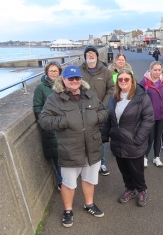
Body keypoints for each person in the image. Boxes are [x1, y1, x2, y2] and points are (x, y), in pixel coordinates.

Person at [38, 65, 108, 228]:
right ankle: (68, 210)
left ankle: (89, 204)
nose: (75, 81)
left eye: (77, 78)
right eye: (71, 79)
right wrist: (64, 121)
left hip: (92, 147)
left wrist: (96, 118)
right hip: (69, 149)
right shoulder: (54, 99)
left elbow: (104, 112)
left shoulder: (90, 95)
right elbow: (44, 119)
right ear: (63, 80)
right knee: (68, 183)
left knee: (90, 180)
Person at [101, 69, 154, 207]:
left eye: (126, 79)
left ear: (132, 81)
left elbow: (148, 119)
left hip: (134, 141)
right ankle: (130, 189)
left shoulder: (141, 97)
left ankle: (142, 190)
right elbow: (109, 118)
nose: (123, 81)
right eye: (120, 79)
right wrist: (105, 135)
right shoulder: (114, 97)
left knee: (136, 170)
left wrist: (138, 139)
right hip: (118, 141)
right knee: (124, 169)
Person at [78, 45, 115, 176]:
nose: (91, 55)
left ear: (97, 56)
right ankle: (85, 163)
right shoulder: (78, 71)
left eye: (93, 53)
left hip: (100, 111)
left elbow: (111, 89)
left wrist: (103, 105)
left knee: (99, 138)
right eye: (88, 53)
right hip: (82, 112)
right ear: (85, 56)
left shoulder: (105, 71)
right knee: (83, 138)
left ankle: (102, 163)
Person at [33, 61, 63, 190]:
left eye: (55, 71)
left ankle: (67, 180)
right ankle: (62, 182)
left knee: (66, 154)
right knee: (56, 156)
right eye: (51, 71)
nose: (53, 73)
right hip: (50, 127)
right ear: (46, 72)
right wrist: (46, 122)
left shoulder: (64, 85)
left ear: (59, 73)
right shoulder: (40, 88)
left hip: (64, 125)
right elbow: (37, 107)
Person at [140, 61, 163, 168]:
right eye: (155, 70)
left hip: (161, 114)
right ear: (150, 70)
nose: (157, 72)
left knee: (158, 137)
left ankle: (157, 157)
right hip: (149, 115)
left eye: (159, 70)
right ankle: (144, 157)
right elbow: (139, 97)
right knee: (150, 138)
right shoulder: (144, 82)